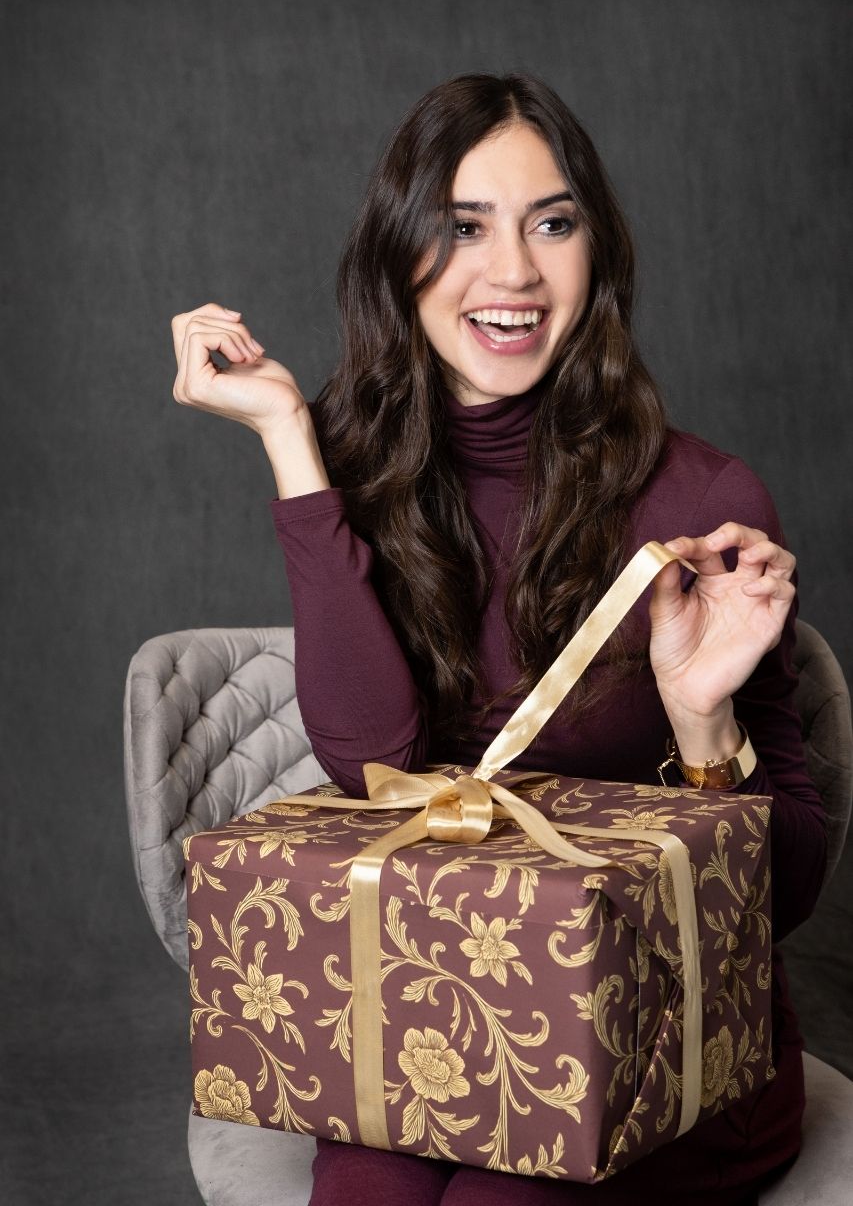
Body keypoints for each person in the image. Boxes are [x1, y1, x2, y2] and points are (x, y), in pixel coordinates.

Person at [171, 74, 827, 1206]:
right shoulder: (361, 472)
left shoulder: (703, 499)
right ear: (399, 259)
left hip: (662, 1046)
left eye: (551, 224)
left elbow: (789, 894)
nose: (514, 271)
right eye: (464, 227)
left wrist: (701, 720)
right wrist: (290, 442)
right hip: (438, 1012)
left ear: (596, 251)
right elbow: (372, 761)